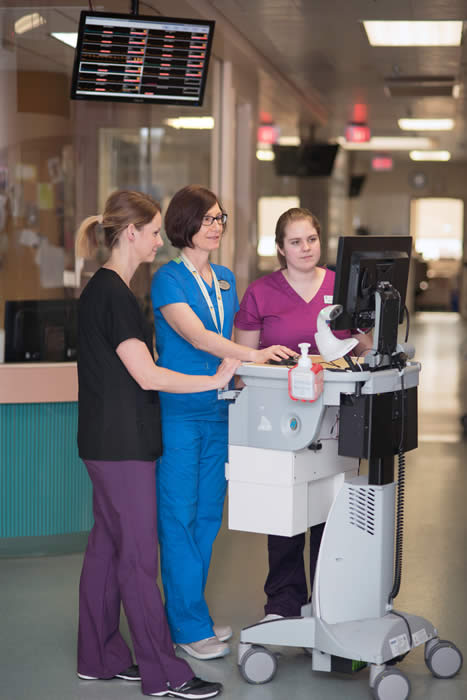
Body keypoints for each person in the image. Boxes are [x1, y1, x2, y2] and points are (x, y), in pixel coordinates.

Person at [75, 189, 240, 698]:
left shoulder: (103, 290)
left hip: (103, 441)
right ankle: (164, 672)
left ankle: (98, 656)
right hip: (123, 447)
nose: (156, 242)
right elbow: (147, 376)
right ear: (131, 234)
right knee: (140, 559)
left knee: (107, 549)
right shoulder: (116, 296)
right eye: (151, 233)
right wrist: (217, 380)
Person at [151, 185, 294, 661]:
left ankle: (191, 612)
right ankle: (187, 626)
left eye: (220, 218)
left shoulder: (227, 278)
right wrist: (251, 354)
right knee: (179, 516)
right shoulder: (167, 280)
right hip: (181, 411)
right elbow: (198, 336)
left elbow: (227, 341)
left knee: (209, 517)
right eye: (208, 219)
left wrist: (254, 365)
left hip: (219, 410)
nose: (217, 226)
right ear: (184, 224)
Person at [234, 206, 372, 621]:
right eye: (295, 241)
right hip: (282, 416)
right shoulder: (261, 293)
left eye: (311, 239)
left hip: (335, 416)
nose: (305, 248)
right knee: (286, 510)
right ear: (280, 248)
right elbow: (246, 362)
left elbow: (363, 346)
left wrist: (366, 341)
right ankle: (283, 603)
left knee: (331, 506)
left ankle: (328, 600)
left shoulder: (340, 287)